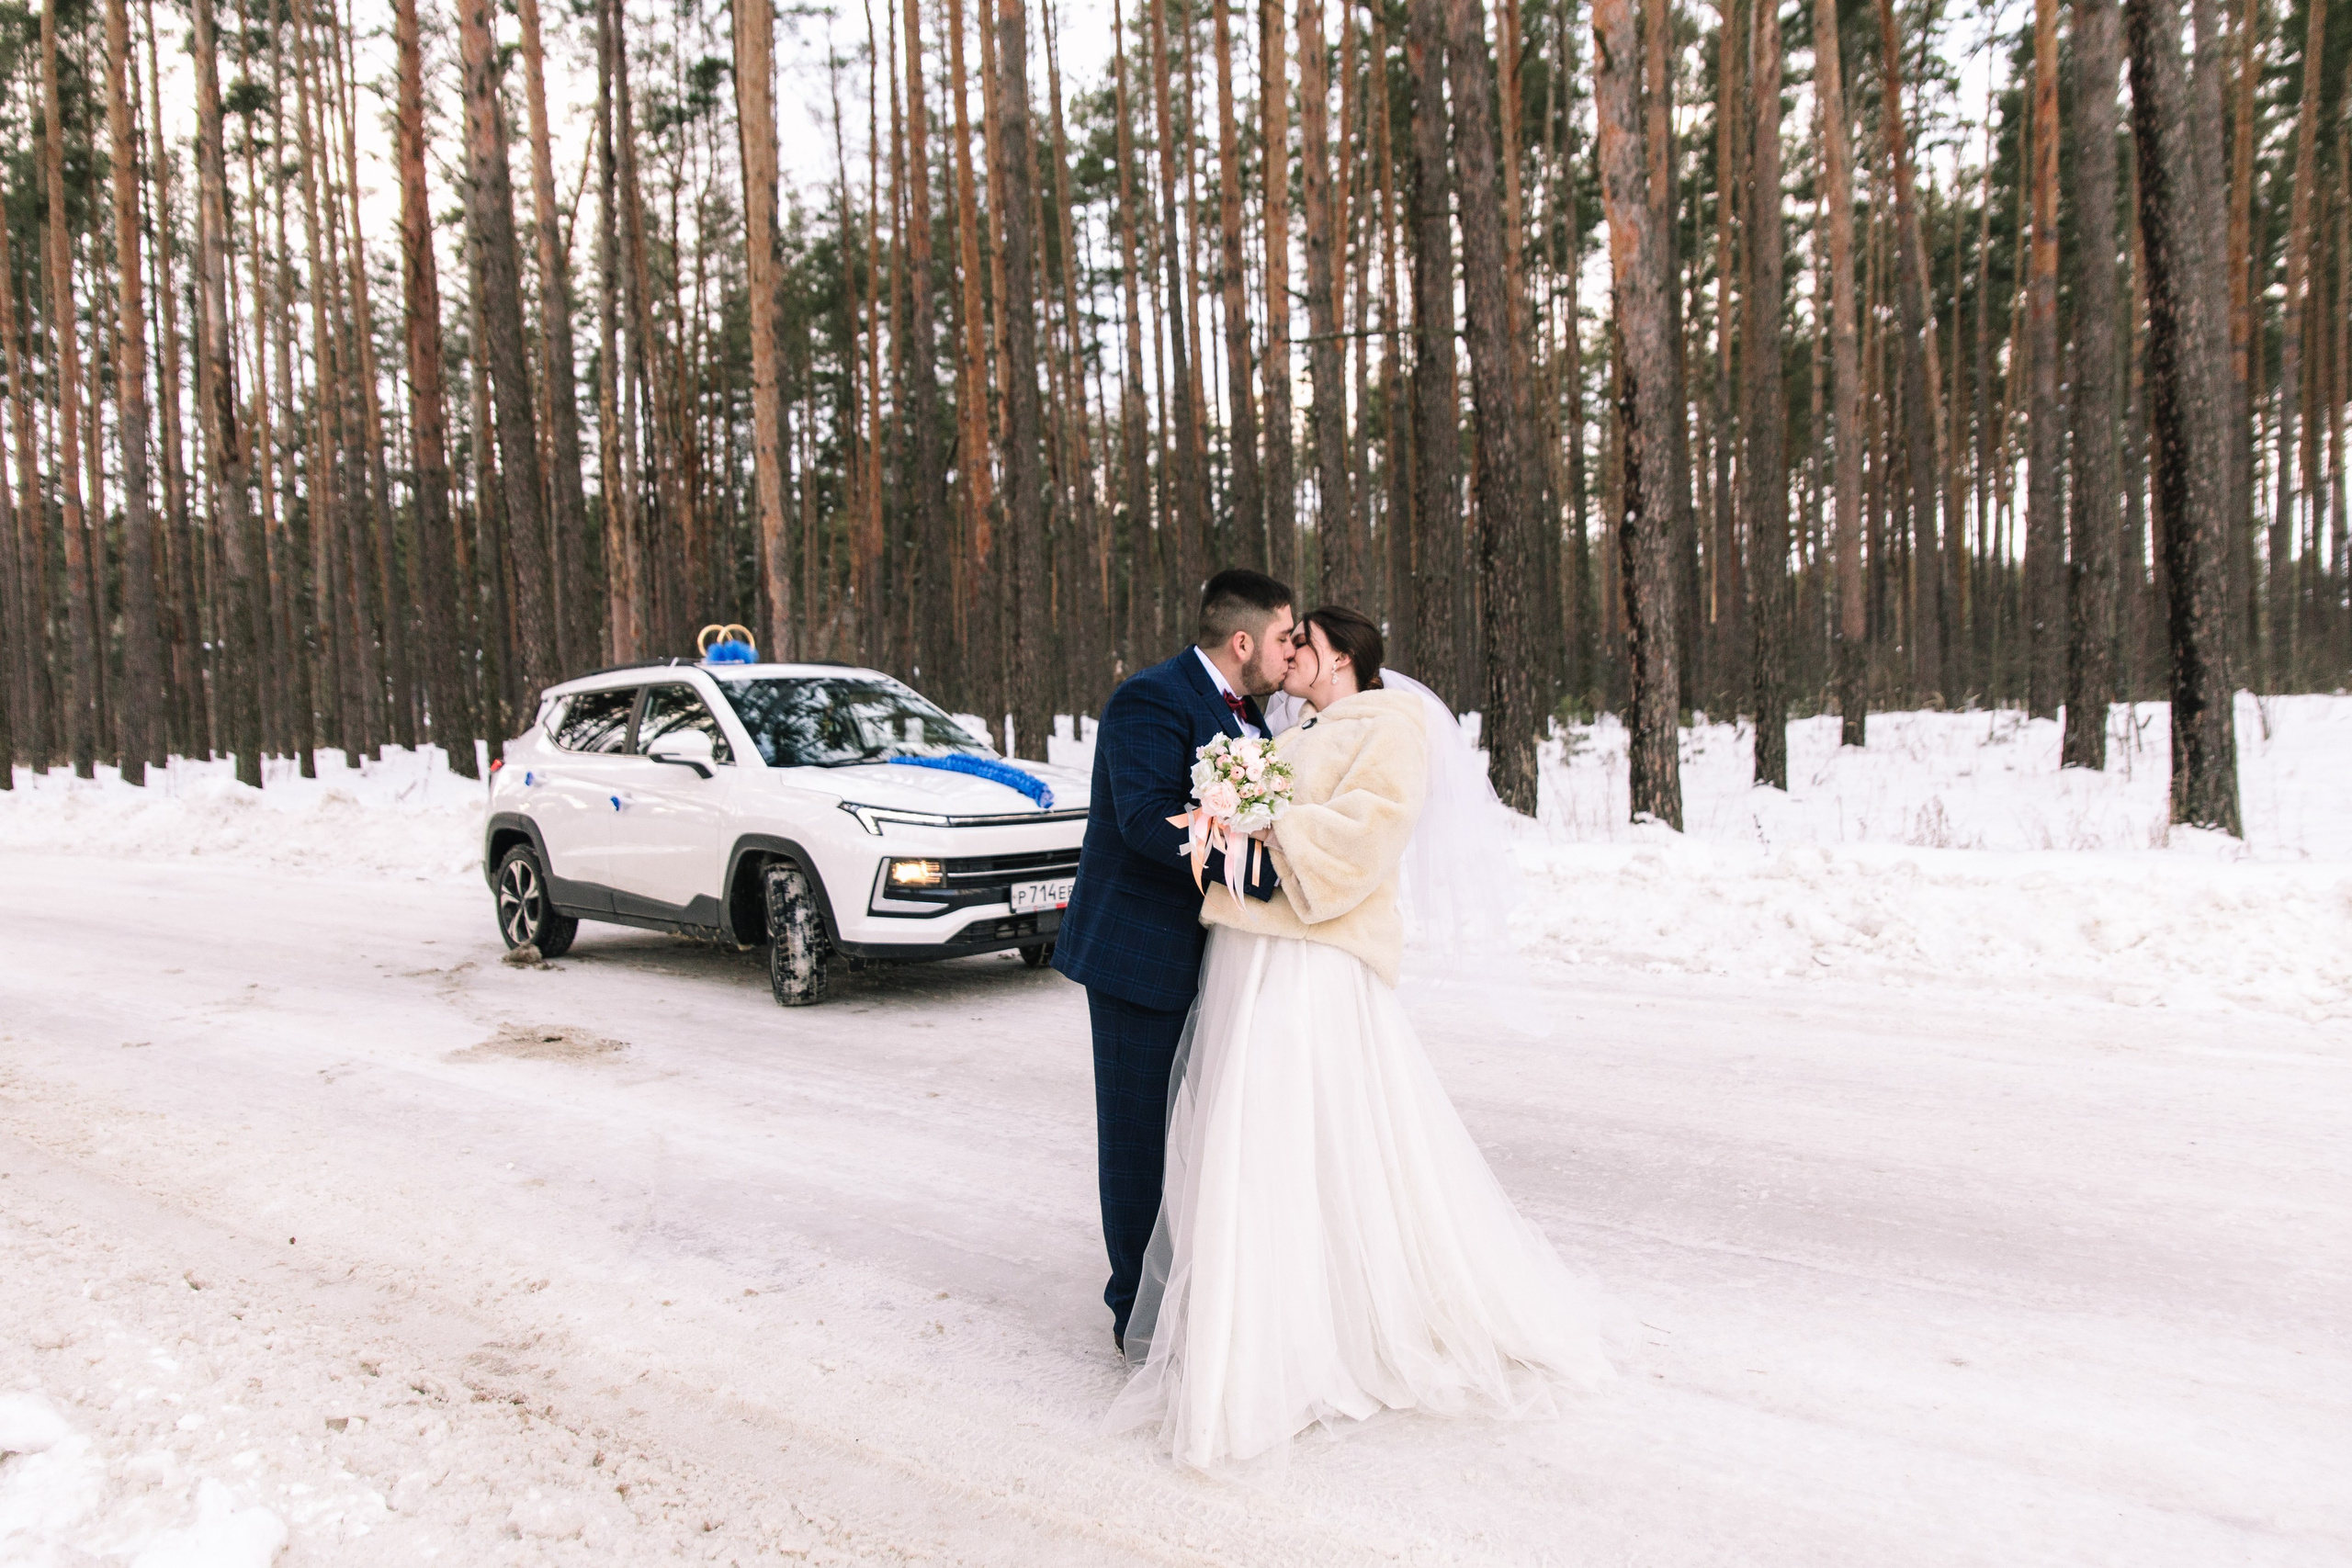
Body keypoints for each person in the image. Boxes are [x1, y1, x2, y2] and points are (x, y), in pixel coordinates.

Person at [1105, 605, 1611, 1472]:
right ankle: (1254, 1324)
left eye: (1302, 642)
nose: (1289, 654)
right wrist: (1230, 816)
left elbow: (1369, 833)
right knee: (1250, 1140)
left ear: (1341, 657)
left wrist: (1263, 824)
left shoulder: (1391, 724)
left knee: (1302, 1135)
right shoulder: (1296, 729)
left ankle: (1319, 1336)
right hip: (1251, 953)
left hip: (1312, 959)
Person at [1055, 569, 1294, 1351]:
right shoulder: (1148, 698)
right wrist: (1266, 874)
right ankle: (1136, 1314)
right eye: (1284, 637)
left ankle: (1192, 1288)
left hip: (1217, 959)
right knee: (1138, 1142)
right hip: (1138, 956)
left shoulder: (1254, 716)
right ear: (1243, 641)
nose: (1290, 651)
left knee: (1205, 1134)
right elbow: (1146, 821)